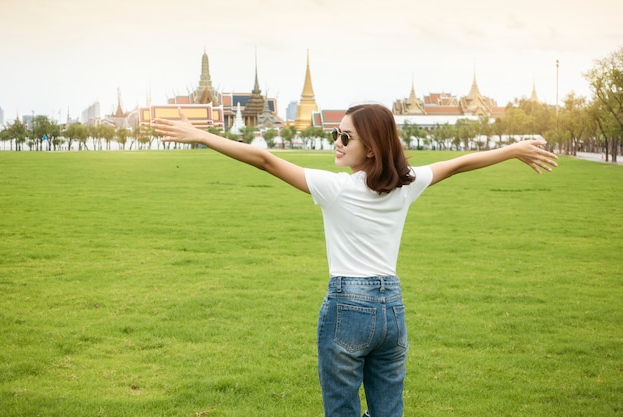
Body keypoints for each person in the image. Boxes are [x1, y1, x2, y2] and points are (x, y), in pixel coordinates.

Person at [151, 104, 557, 417]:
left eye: (346, 137)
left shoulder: (336, 189)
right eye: (336, 133)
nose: (337, 142)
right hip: (392, 312)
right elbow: (462, 164)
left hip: (347, 307)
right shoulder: (407, 185)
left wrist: (200, 136)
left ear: (371, 147)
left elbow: (265, 160)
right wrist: (513, 150)